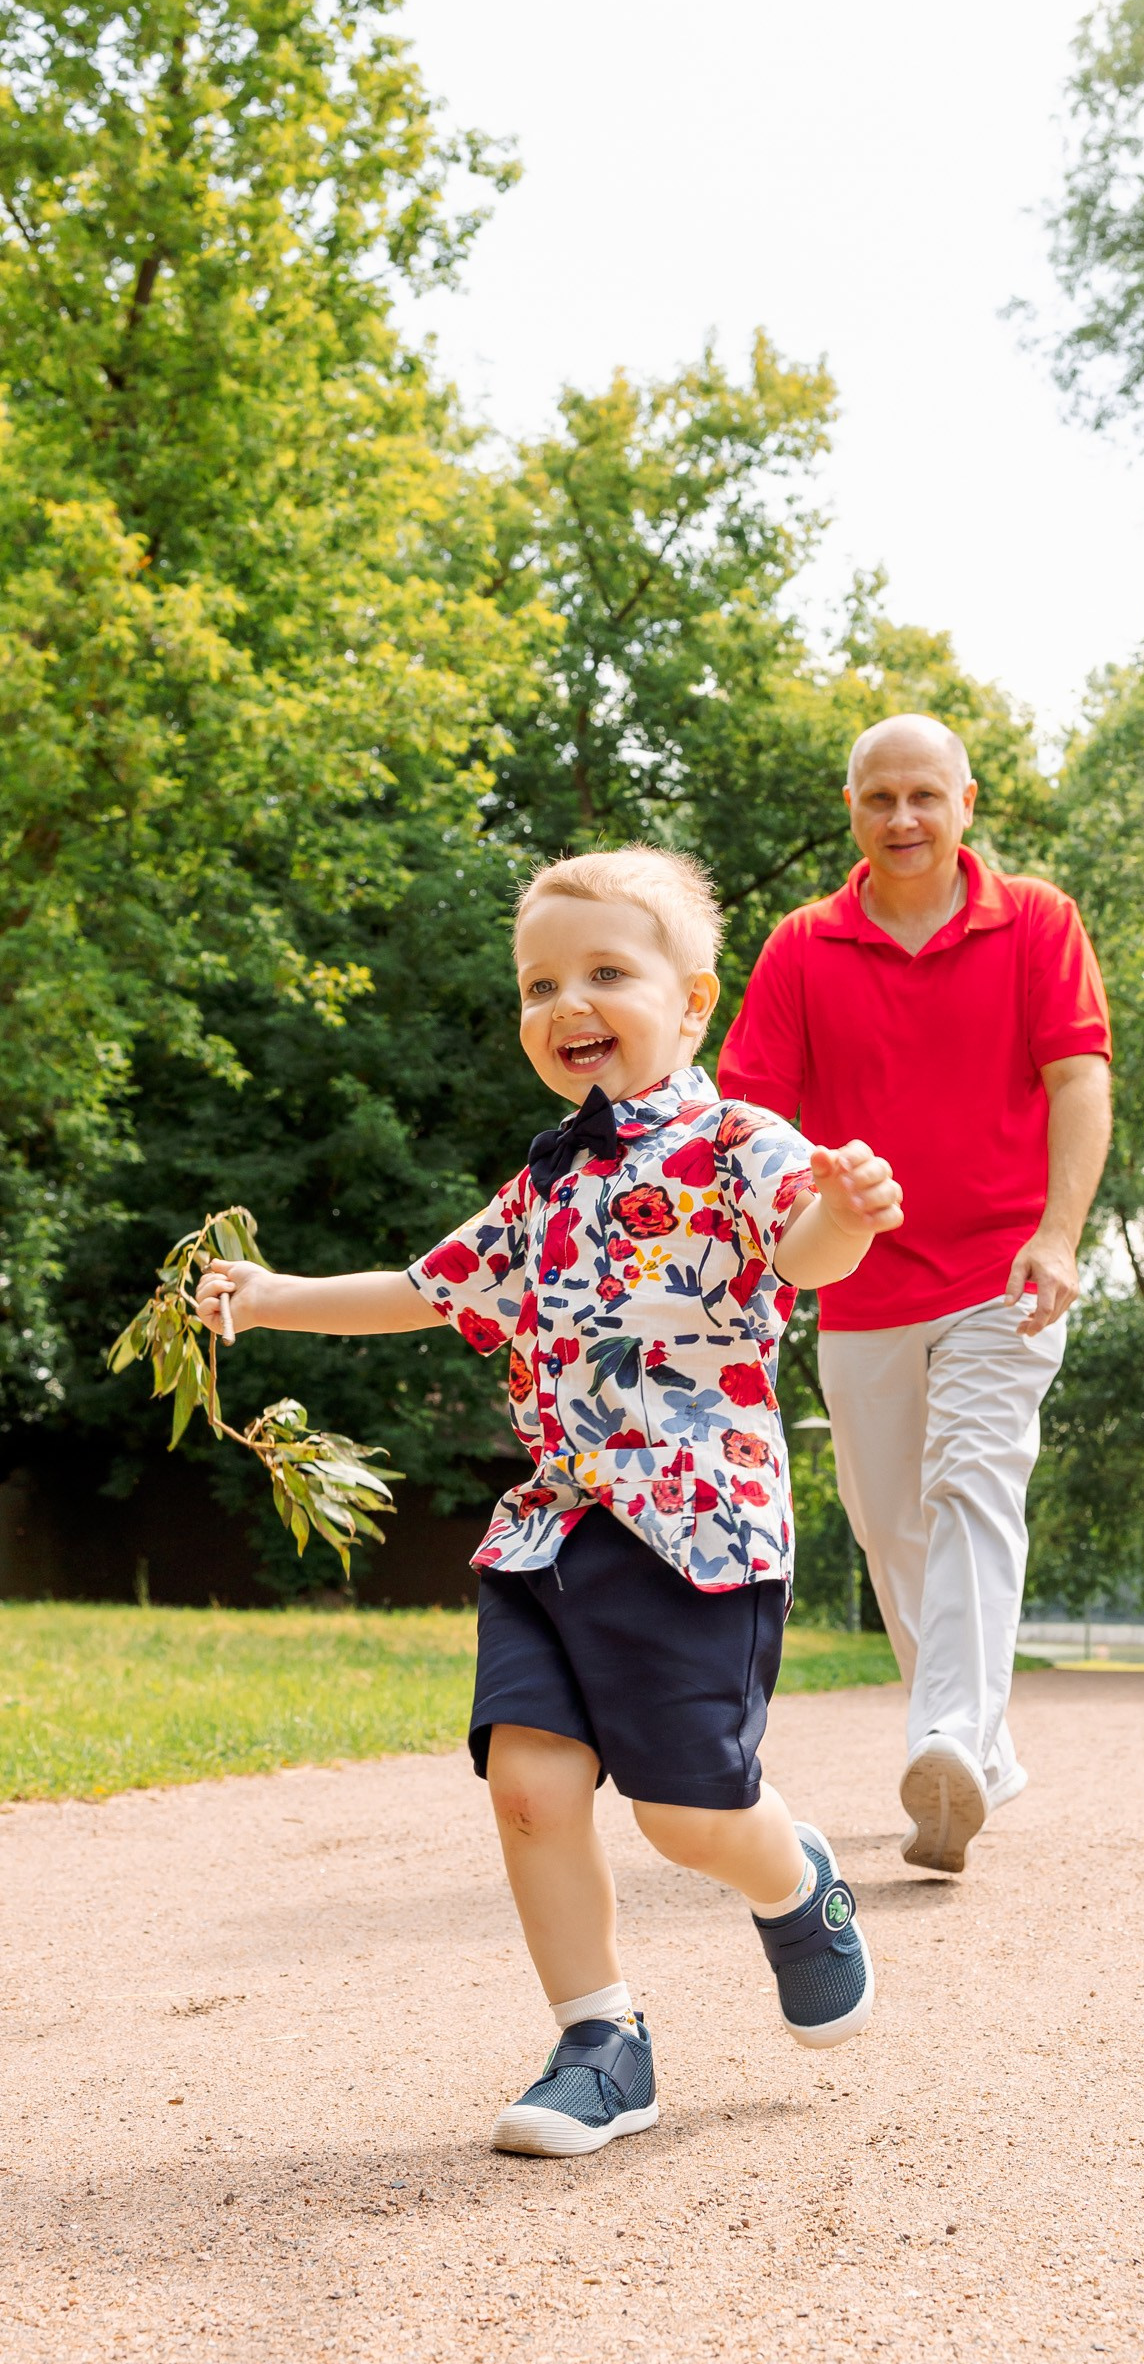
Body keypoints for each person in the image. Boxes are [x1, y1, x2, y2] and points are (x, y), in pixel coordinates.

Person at [195, 846, 903, 2158]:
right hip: (550, 1527)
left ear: (691, 1005)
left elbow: (803, 1249)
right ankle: (602, 2043)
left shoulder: (742, 1144)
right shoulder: (542, 1185)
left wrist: (850, 1217)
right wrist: (275, 1292)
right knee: (527, 1783)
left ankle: (794, 1883)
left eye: (604, 974)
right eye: (538, 984)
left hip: (697, 1534)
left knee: (690, 1817)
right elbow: (424, 1286)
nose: (565, 1004)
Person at [719, 715, 1112, 1876]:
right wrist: (790, 1220)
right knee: (894, 1527)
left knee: (974, 1485)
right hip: (862, 1283)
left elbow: (1079, 1078)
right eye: (880, 799)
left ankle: (943, 1735)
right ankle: (976, 1757)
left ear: (965, 804)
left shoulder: (1036, 921)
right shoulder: (801, 946)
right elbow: (751, 1120)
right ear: (853, 811)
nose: (903, 819)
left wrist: (1058, 1234)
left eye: (924, 797)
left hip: (1002, 1274)